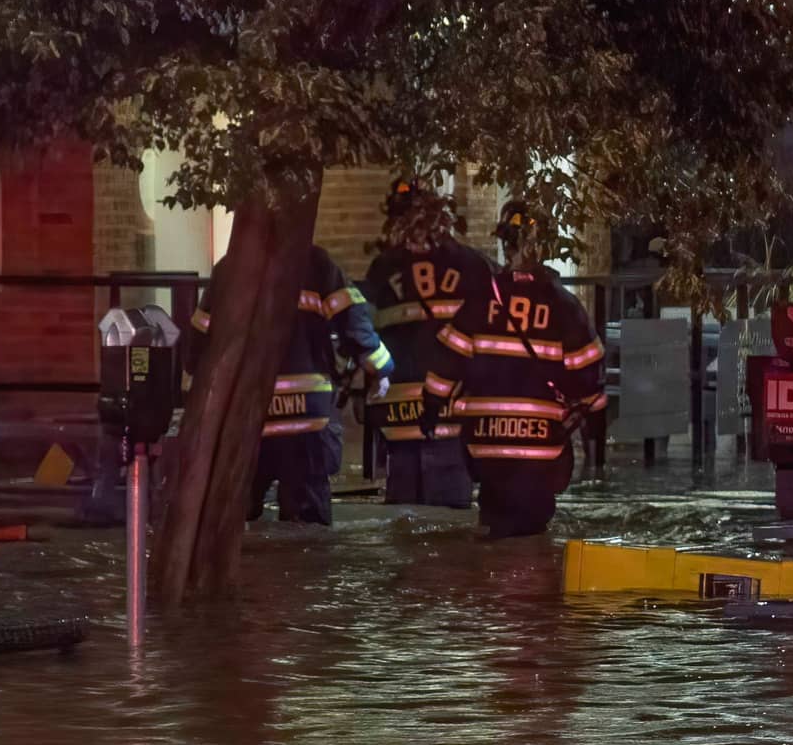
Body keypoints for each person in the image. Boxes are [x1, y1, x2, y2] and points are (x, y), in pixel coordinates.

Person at [451, 199, 609, 540]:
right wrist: (594, 436)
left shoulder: (480, 299)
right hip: (540, 445)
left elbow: (449, 362)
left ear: (505, 244)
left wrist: (435, 409)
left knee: (493, 528)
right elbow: (590, 380)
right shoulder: (562, 304)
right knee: (533, 538)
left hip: (484, 442)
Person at [362, 181, 490, 509]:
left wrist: (360, 392)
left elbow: (366, 335)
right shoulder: (471, 265)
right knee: (449, 524)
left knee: (404, 522)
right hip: (455, 406)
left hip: (397, 410)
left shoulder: (383, 268)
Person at [251, 248, 377, 525]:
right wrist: (381, 367)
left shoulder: (233, 265)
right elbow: (353, 322)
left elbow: (199, 345)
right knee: (307, 513)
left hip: (252, 413)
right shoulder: (317, 263)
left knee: (240, 508)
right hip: (306, 411)